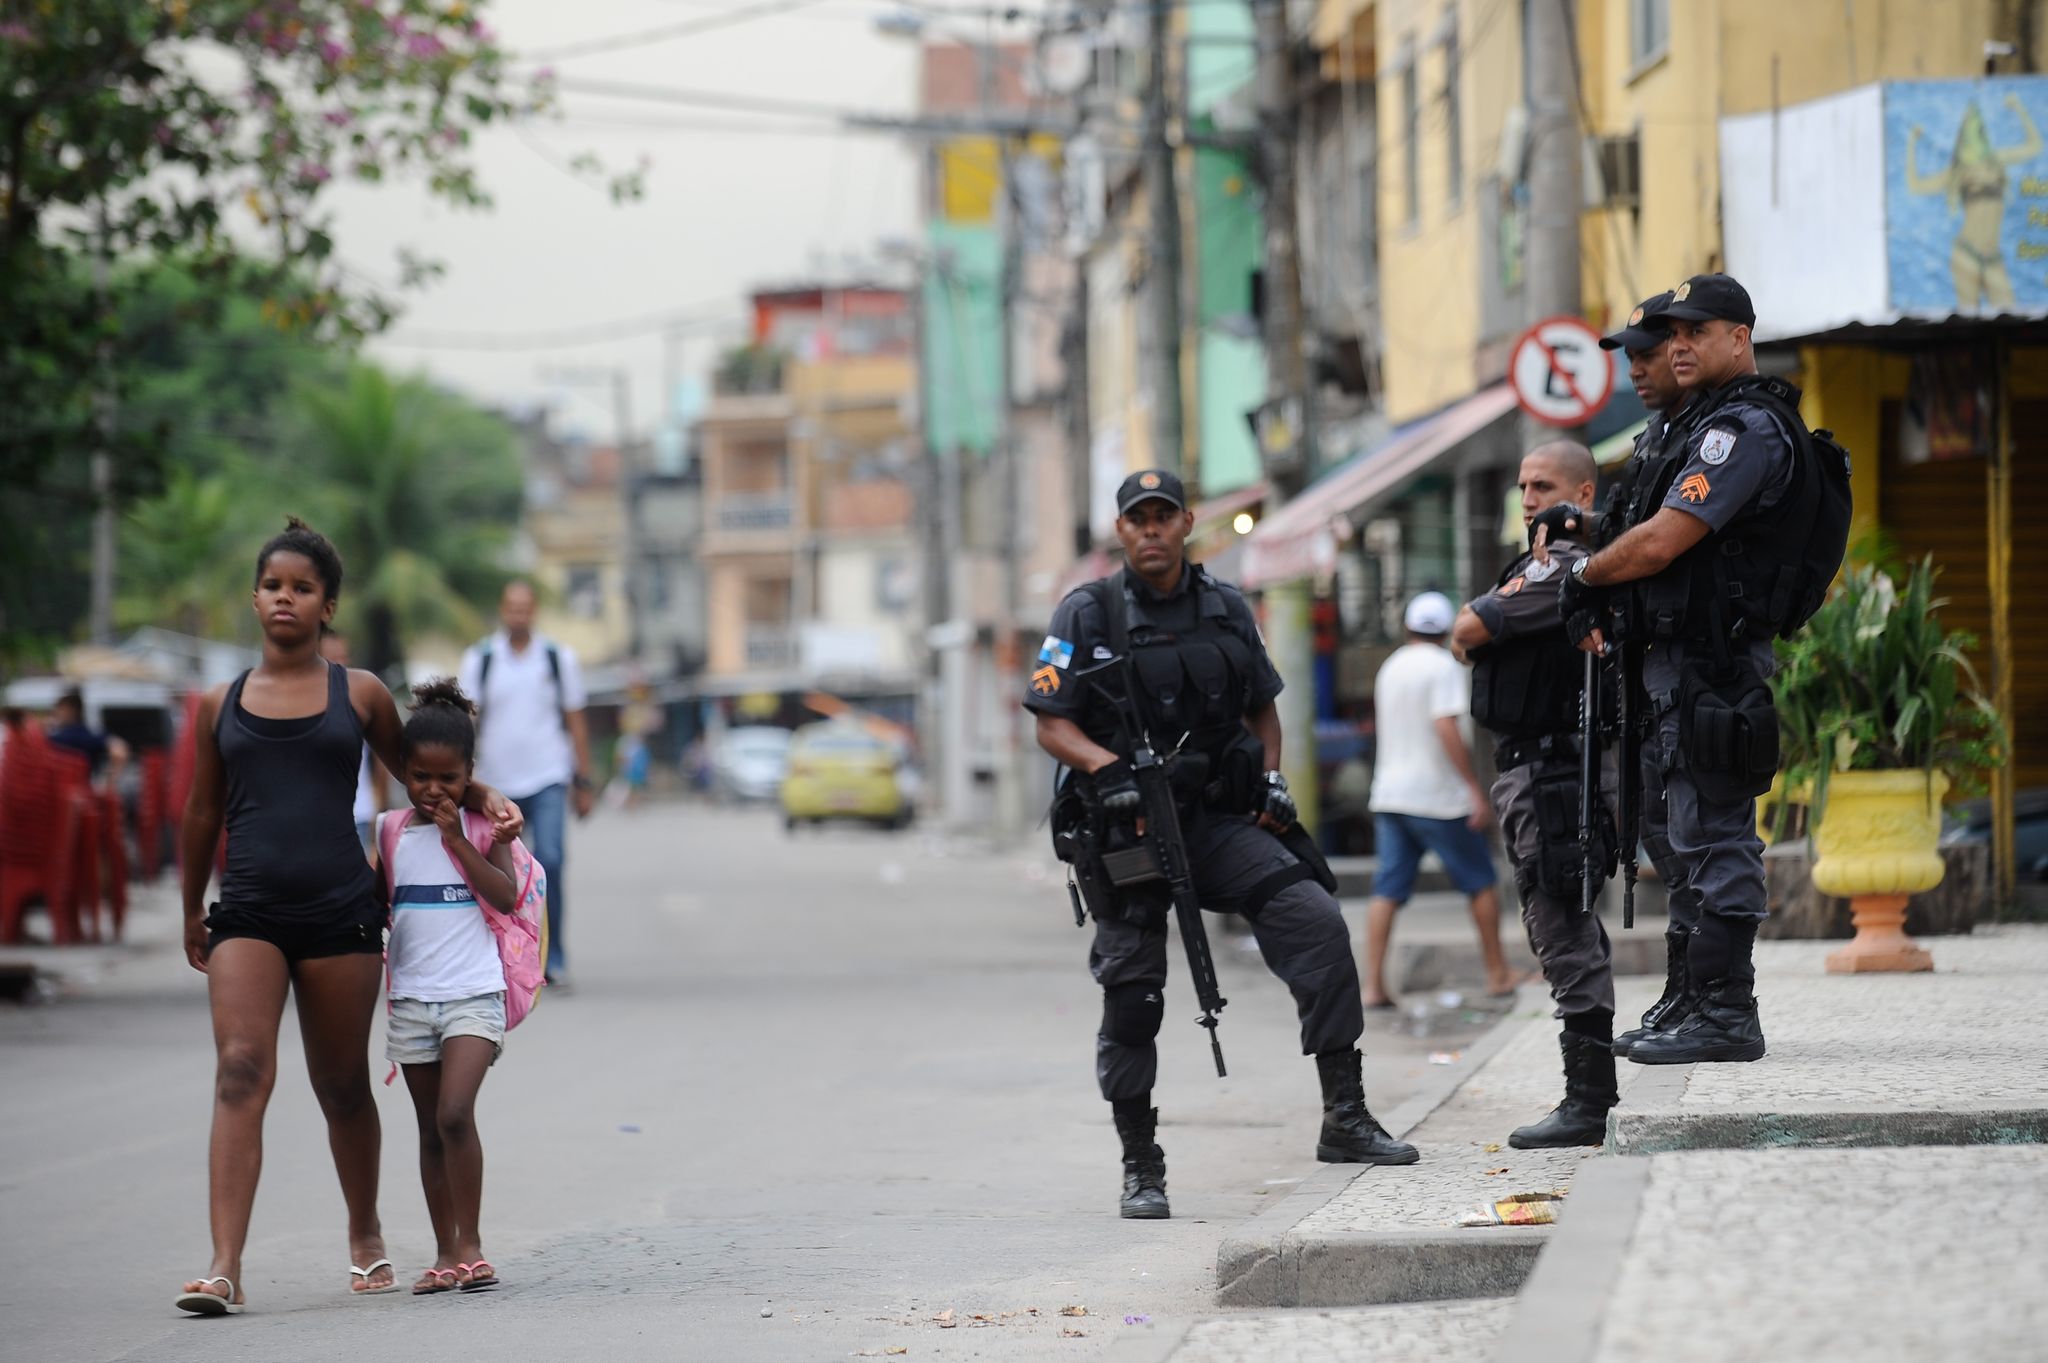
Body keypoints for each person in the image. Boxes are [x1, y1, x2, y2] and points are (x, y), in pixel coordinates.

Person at [1026, 469, 1416, 1220]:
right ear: (1121, 529)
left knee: (1315, 921)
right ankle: (1141, 1164)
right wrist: (1106, 769)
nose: (1150, 529)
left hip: (1214, 821)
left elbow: (1263, 709)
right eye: (1137, 518)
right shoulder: (1088, 610)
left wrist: (1271, 778)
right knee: (1134, 994)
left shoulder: (1226, 605)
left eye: (1163, 515)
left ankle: (1345, 1117)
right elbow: (1052, 720)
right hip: (1131, 830)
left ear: (1187, 523)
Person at [174, 518, 522, 1317]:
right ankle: (225, 1264)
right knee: (239, 1069)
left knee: (340, 1083)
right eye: (272, 585)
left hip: (341, 912)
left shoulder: (358, 692)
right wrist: (192, 906)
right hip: (249, 910)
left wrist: (484, 795)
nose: (285, 598)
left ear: (327, 605)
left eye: (302, 588)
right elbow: (200, 811)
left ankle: (365, 1230)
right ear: (254, 598)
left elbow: (422, 772)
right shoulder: (219, 703)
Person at [1558, 273, 1846, 1066]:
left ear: (1739, 337)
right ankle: (1692, 997)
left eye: (1697, 332)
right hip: (1678, 661)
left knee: (1715, 833)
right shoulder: (1700, 423)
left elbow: (1662, 541)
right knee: (1682, 833)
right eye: (1674, 334)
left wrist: (1582, 578)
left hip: (1714, 664)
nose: (1678, 347)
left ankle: (1727, 1009)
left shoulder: (1743, 430)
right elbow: (1643, 526)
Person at [1451, 442, 1619, 1148]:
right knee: (1556, 919)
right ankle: (1589, 1094)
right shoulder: (1533, 567)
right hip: (1533, 769)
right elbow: (1466, 639)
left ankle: (1589, 1100)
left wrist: (1488, 623)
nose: (1527, 500)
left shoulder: (1565, 567)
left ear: (1583, 494)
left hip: (1555, 772)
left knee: (1561, 923)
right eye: (1522, 485)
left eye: (1543, 486)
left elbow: (1468, 629)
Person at [373, 679, 519, 1296]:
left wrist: (459, 838)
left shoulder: (485, 827)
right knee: (430, 1128)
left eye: (449, 778)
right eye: (420, 776)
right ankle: (443, 1253)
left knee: (455, 1112)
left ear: (470, 776)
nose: (434, 789)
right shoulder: (389, 832)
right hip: (412, 1000)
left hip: (474, 996)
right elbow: (374, 905)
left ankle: (472, 1244)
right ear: (403, 771)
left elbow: (506, 897)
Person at [1360, 592, 1520, 1010]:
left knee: (1387, 889)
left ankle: (1373, 986)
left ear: (1407, 627)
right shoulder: (1444, 666)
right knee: (1480, 881)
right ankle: (1498, 974)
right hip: (1438, 798)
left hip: (1391, 795)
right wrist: (1472, 787)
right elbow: (1445, 726)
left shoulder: (1391, 666)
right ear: (1448, 629)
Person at [459, 581, 593, 987]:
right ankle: (507, 956)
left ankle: (554, 957)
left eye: (525, 608)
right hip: (497, 785)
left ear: (534, 611)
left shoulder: (557, 658)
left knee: (549, 860)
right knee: (501, 874)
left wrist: (583, 779)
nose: (518, 614)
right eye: (511, 607)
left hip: (548, 776)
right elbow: (466, 722)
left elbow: (575, 719)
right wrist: (462, 779)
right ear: (503, 610)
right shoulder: (481, 659)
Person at [1905, 92, 2043, 311]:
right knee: (1970, 320)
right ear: (1963, 136)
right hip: (1966, 253)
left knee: (2011, 315)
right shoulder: (1959, 171)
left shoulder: (1997, 160)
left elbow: (2035, 146)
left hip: (1993, 257)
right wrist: (1912, 142)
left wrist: (2019, 108)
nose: (1978, 134)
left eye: (1981, 128)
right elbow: (1916, 185)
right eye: (1973, 129)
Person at [319, 631, 383, 853]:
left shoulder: (361, 700)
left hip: (359, 816)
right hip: (317, 819)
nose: (340, 666)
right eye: (332, 659)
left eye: (344, 658)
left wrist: (379, 809)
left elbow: (380, 763)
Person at [45, 689, 128, 786]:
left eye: (59, 709)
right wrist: (109, 783)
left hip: (61, 789)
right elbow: (119, 752)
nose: (56, 714)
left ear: (69, 710)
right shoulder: (92, 734)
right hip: (84, 789)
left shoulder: (57, 738)